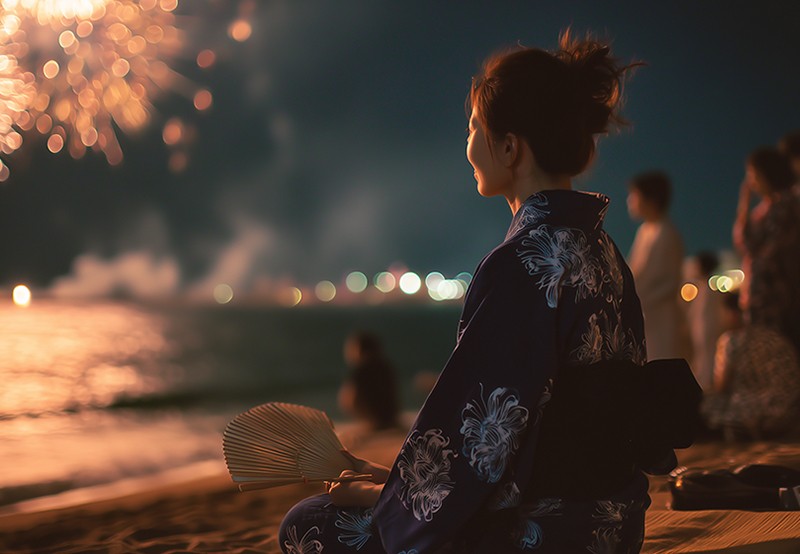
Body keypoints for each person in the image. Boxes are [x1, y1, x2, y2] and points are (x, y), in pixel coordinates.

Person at [279, 31, 696, 554]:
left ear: (509, 146)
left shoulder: (524, 262)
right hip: (615, 521)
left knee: (308, 524)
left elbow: (485, 442)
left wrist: (384, 498)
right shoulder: (605, 250)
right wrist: (395, 481)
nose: (469, 145)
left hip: (547, 532)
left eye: (473, 128)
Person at [702, 292, 800, 441]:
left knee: (709, 402)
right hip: (791, 406)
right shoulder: (774, 335)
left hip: (760, 410)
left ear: (731, 313)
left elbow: (721, 385)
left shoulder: (731, 340)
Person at [733, 147, 800, 355]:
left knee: (778, 353)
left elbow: (770, 249)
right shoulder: (762, 210)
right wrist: (744, 204)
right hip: (760, 295)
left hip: (777, 295)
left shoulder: (787, 204)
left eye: (753, 174)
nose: (750, 181)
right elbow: (744, 244)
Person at [627, 171, 690, 361]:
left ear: (651, 199)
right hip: (646, 314)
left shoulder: (667, 233)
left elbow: (670, 282)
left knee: (661, 364)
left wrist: (640, 300)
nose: (630, 201)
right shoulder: (645, 231)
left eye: (634, 195)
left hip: (661, 317)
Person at [338, 331, 401, 432]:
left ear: (359, 349)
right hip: (392, 421)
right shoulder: (386, 367)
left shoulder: (360, 371)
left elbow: (348, 401)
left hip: (373, 424)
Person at [684, 251, 723, 391]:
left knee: (706, 358)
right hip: (702, 331)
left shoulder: (707, 290)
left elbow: (705, 316)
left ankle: (705, 386)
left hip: (705, 331)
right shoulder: (705, 289)